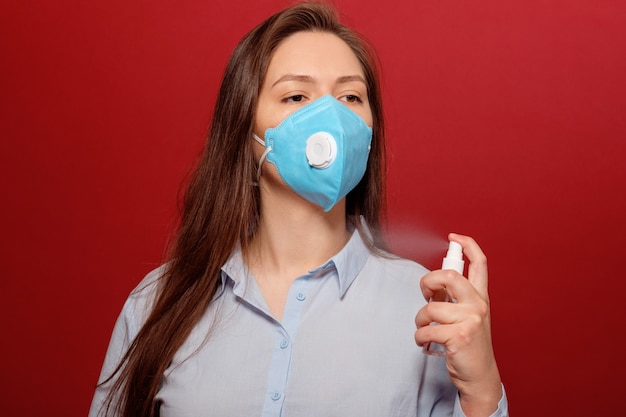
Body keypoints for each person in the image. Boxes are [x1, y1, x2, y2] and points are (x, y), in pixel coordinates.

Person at [89, 3, 508, 417]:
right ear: (245, 127)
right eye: (295, 95)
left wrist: (482, 390)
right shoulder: (157, 303)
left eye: (350, 96)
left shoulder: (429, 310)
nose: (329, 117)